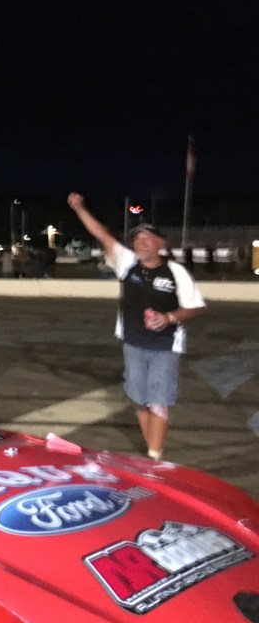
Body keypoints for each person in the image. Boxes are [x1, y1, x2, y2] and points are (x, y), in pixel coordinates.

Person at [67, 193, 205, 461]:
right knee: (140, 401)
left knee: (159, 402)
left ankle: (154, 456)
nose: (141, 243)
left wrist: (168, 318)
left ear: (160, 243)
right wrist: (80, 208)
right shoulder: (127, 264)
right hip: (133, 343)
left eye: (147, 238)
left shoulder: (176, 272)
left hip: (165, 346)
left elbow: (195, 307)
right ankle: (152, 449)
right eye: (137, 239)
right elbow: (103, 235)